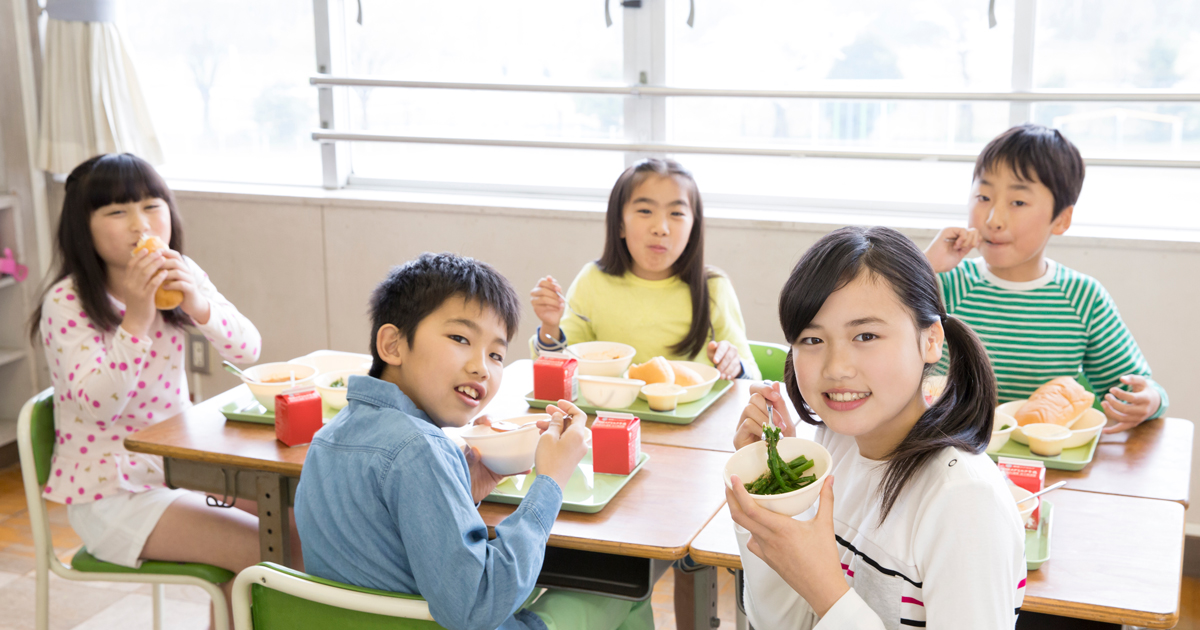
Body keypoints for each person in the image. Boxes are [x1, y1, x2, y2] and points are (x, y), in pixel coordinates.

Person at [295, 252, 653, 630]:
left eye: (496, 354)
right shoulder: (419, 449)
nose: (482, 367)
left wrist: (462, 490)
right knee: (626, 587)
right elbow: (476, 608)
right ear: (393, 345)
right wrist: (551, 483)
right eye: (460, 338)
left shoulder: (326, 438)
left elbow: (387, 556)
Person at [730, 226, 1025, 628]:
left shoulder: (965, 500)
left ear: (931, 341)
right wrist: (776, 495)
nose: (836, 368)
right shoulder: (836, 442)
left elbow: (821, 602)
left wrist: (826, 590)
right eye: (812, 340)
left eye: (865, 335)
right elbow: (785, 623)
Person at [29, 153, 270, 624]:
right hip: (109, 495)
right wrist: (136, 319)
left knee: (296, 518)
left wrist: (199, 304)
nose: (140, 225)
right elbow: (100, 405)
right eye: (117, 212)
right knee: (256, 546)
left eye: (151, 206)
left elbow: (248, 350)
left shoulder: (181, 273)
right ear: (85, 228)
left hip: (179, 470)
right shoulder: (67, 302)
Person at [924, 124, 1167, 432]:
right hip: (945, 455)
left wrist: (1152, 400)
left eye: (1018, 202)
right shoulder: (945, 283)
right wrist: (925, 265)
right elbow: (872, 324)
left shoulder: (1084, 298)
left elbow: (1132, 388)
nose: (993, 220)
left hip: (1041, 464)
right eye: (983, 197)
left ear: (1061, 219)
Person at [530, 158, 759, 381]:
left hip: (695, 418)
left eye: (677, 213)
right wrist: (550, 326)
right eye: (645, 211)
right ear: (620, 223)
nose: (660, 228)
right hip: (611, 416)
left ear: (693, 228)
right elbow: (561, 368)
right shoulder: (593, 281)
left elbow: (753, 376)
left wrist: (734, 365)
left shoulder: (713, 287)